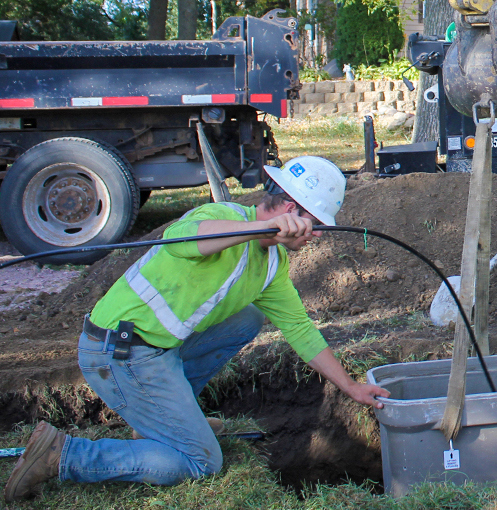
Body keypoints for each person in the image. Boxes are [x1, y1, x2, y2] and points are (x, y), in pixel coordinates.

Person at [4, 156, 390, 502]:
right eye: (317, 224)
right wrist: (263, 229)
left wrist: (352, 388)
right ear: (291, 210)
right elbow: (178, 239)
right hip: (117, 353)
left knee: (249, 319)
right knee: (200, 461)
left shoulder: (271, 265)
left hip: (156, 350)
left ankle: (170, 419)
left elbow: (301, 330)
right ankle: (63, 455)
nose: (318, 235)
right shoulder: (223, 219)